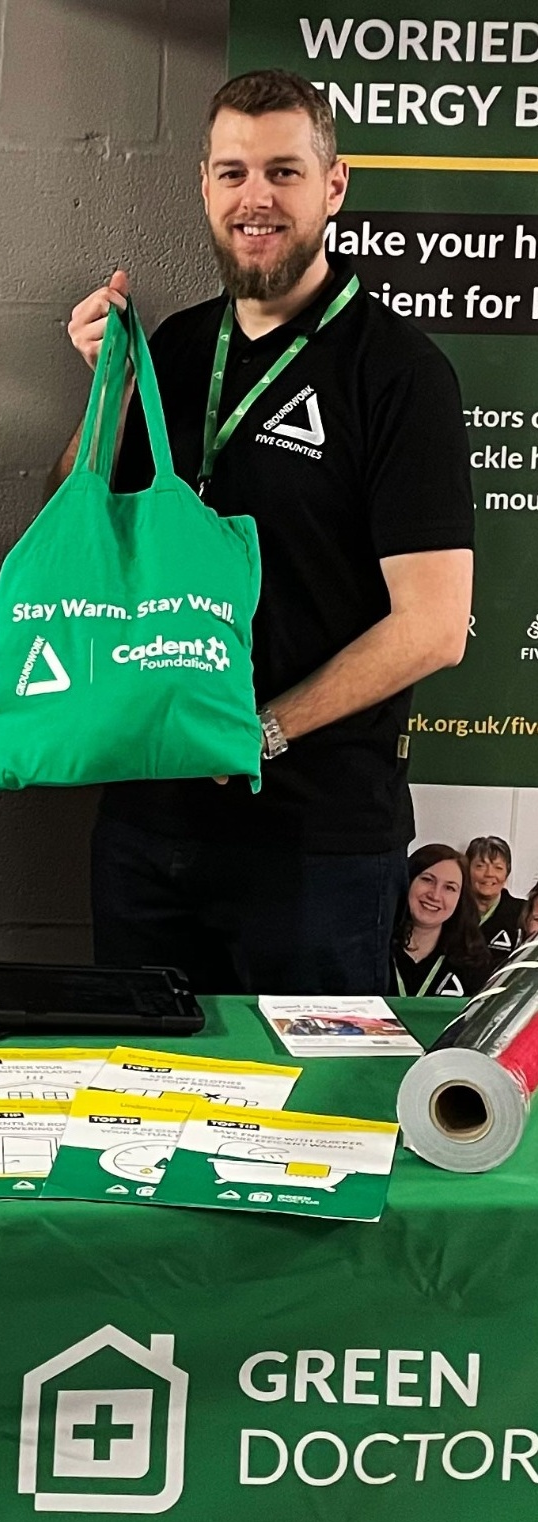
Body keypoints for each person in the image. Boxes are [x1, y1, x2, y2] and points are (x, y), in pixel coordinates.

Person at [55, 69, 474, 996]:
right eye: (234, 173)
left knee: (311, 1127)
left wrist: (262, 731)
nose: (256, 199)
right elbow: (81, 546)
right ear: (203, 185)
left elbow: (434, 627)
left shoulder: (398, 372)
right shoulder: (169, 350)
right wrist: (106, 394)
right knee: (140, 1113)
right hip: (146, 828)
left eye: (283, 172)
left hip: (314, 845)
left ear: (332, 186)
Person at [390, 844, 493, 998]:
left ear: (460, 899)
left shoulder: (473, 959)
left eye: (449, 888)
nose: (435, 895)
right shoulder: (372, 950)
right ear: (408, 880)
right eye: (427, 880)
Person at [465, 834, 524, 958]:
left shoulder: (522, 912)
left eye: (498, 868)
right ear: (467, 869)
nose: (489, 874)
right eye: (480, 866)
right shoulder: (451, 909)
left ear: (506, 874)